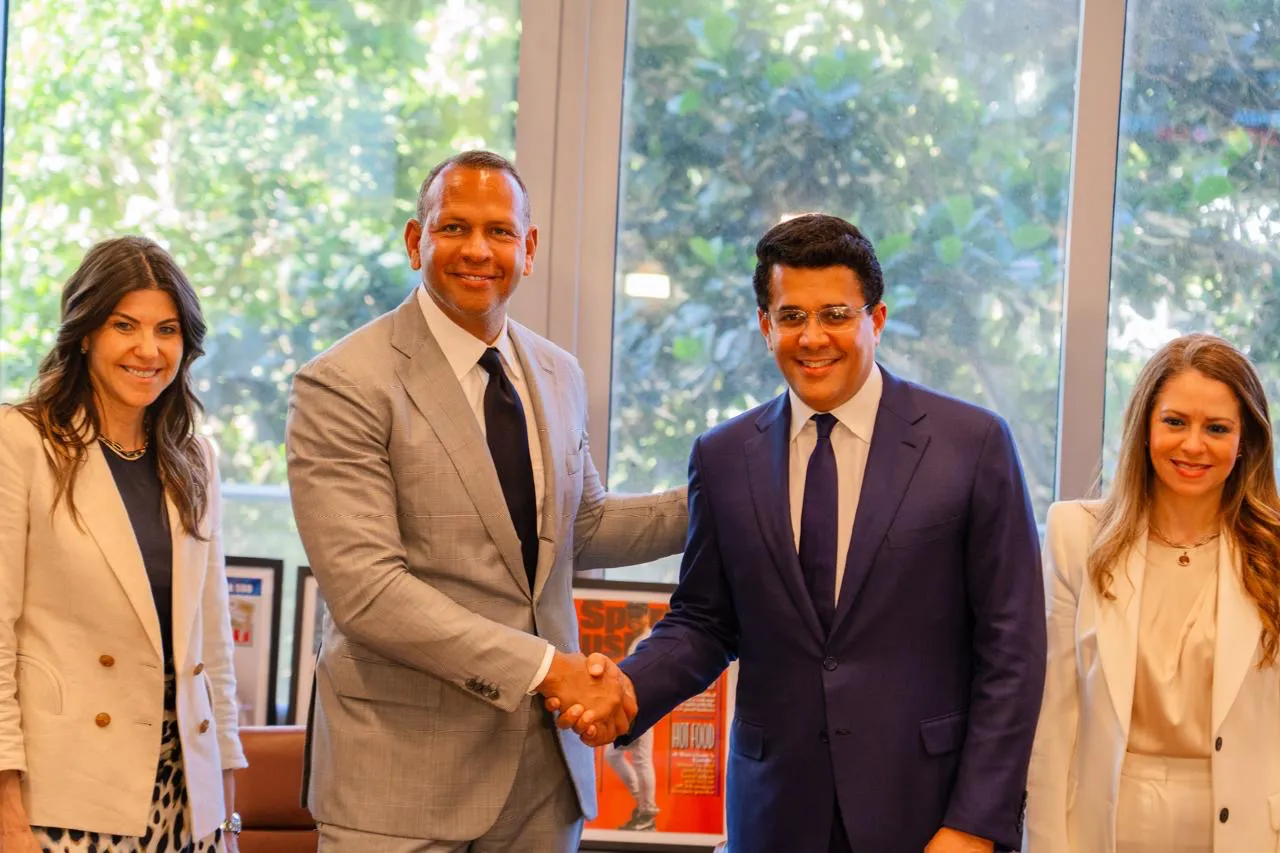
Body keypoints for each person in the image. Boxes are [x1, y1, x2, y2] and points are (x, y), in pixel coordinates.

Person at [557, 213, 1045, 853]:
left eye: (836, 314)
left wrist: (976, 822)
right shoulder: (722, 457)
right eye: (791, 316)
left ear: (877, 319)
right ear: (766, 327)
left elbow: (1013, 649)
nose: (813, 337)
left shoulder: (972, 444)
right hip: (775, 813)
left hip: (927, 813)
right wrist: (625, 689)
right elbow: (705, 621)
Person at [285, 149, 688, 852]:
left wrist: (735, 491)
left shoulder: (558, 373)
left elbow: (584, 526)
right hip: (399, 783)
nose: (477, 249)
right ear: (416, 241)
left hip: (542, 780)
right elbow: (369, 592)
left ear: (527, 249)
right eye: (454, 228)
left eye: (499, 231)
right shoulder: (343, 382)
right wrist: (550, 669)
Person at [0, 237, 246, 853]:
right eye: (124, 325)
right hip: (64, 797)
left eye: (167, 330)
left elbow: (212, 647)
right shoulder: (21, 441)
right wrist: (7, 818)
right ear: (85, 333)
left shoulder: (195, 459)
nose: (148, 350)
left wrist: (225, 817)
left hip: (183, 796)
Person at [1024, 333, 1280, 853]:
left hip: (1251, 830)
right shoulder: (1076, 536)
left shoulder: (1273, 552)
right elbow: (1051, 720)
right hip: (1105, 826)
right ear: (1144, 427)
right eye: (1175, 422)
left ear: (1245, 441)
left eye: (1216, 428)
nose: (1193, 445)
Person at [603, 604, 659, 832]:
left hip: (641, 707)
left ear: (646, 615)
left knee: (640, 760)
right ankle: (643, 806)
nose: (634, 622)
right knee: (617, 755)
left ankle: (647, 812)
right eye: (631, 618)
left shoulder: (648, 639)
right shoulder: (641, 639)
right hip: (637, 707)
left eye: (638, 617)